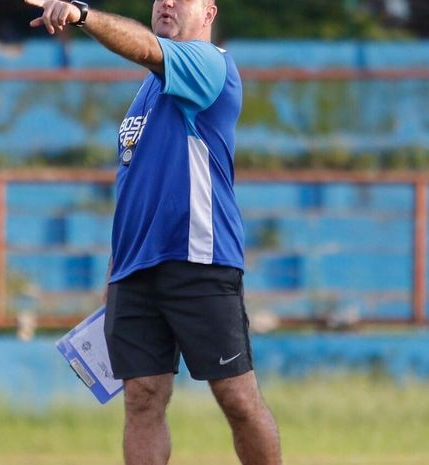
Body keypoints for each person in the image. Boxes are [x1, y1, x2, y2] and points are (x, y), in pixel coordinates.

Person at [26, 1, 283, 464]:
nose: (166, 1)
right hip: (135, 272)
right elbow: (135, 185)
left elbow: (146, 48)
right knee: (141, 399)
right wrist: (114, 273)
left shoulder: (208, 64)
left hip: (199, 260)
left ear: (208, 12)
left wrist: (82, 13)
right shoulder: (146, 91)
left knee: (238, 400)